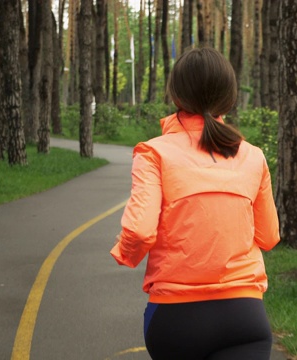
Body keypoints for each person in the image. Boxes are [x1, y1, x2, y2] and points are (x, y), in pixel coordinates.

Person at [110, 47, 281, 360]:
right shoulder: (253, 156)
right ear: (229, 98)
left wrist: (125, 254)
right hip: (244, 315)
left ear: (176, 96)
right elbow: (269, 237)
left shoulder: (154, 153)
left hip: (176, 318)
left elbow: (138, 232)